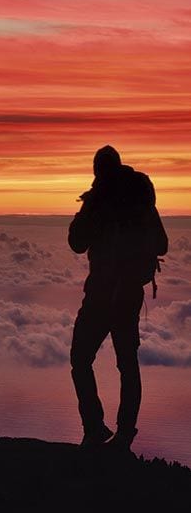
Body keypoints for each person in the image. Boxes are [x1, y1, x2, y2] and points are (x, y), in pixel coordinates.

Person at [68, 146, 168, 450]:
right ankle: (124, 435)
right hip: (128, 296)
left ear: (98, 170)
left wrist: (87, 210)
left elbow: (76, 242)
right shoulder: (140, 199)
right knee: (128, 364)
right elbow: (162, 244)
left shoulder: (98, 198)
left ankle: (94, 428)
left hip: (100, 293)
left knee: (80, 359)